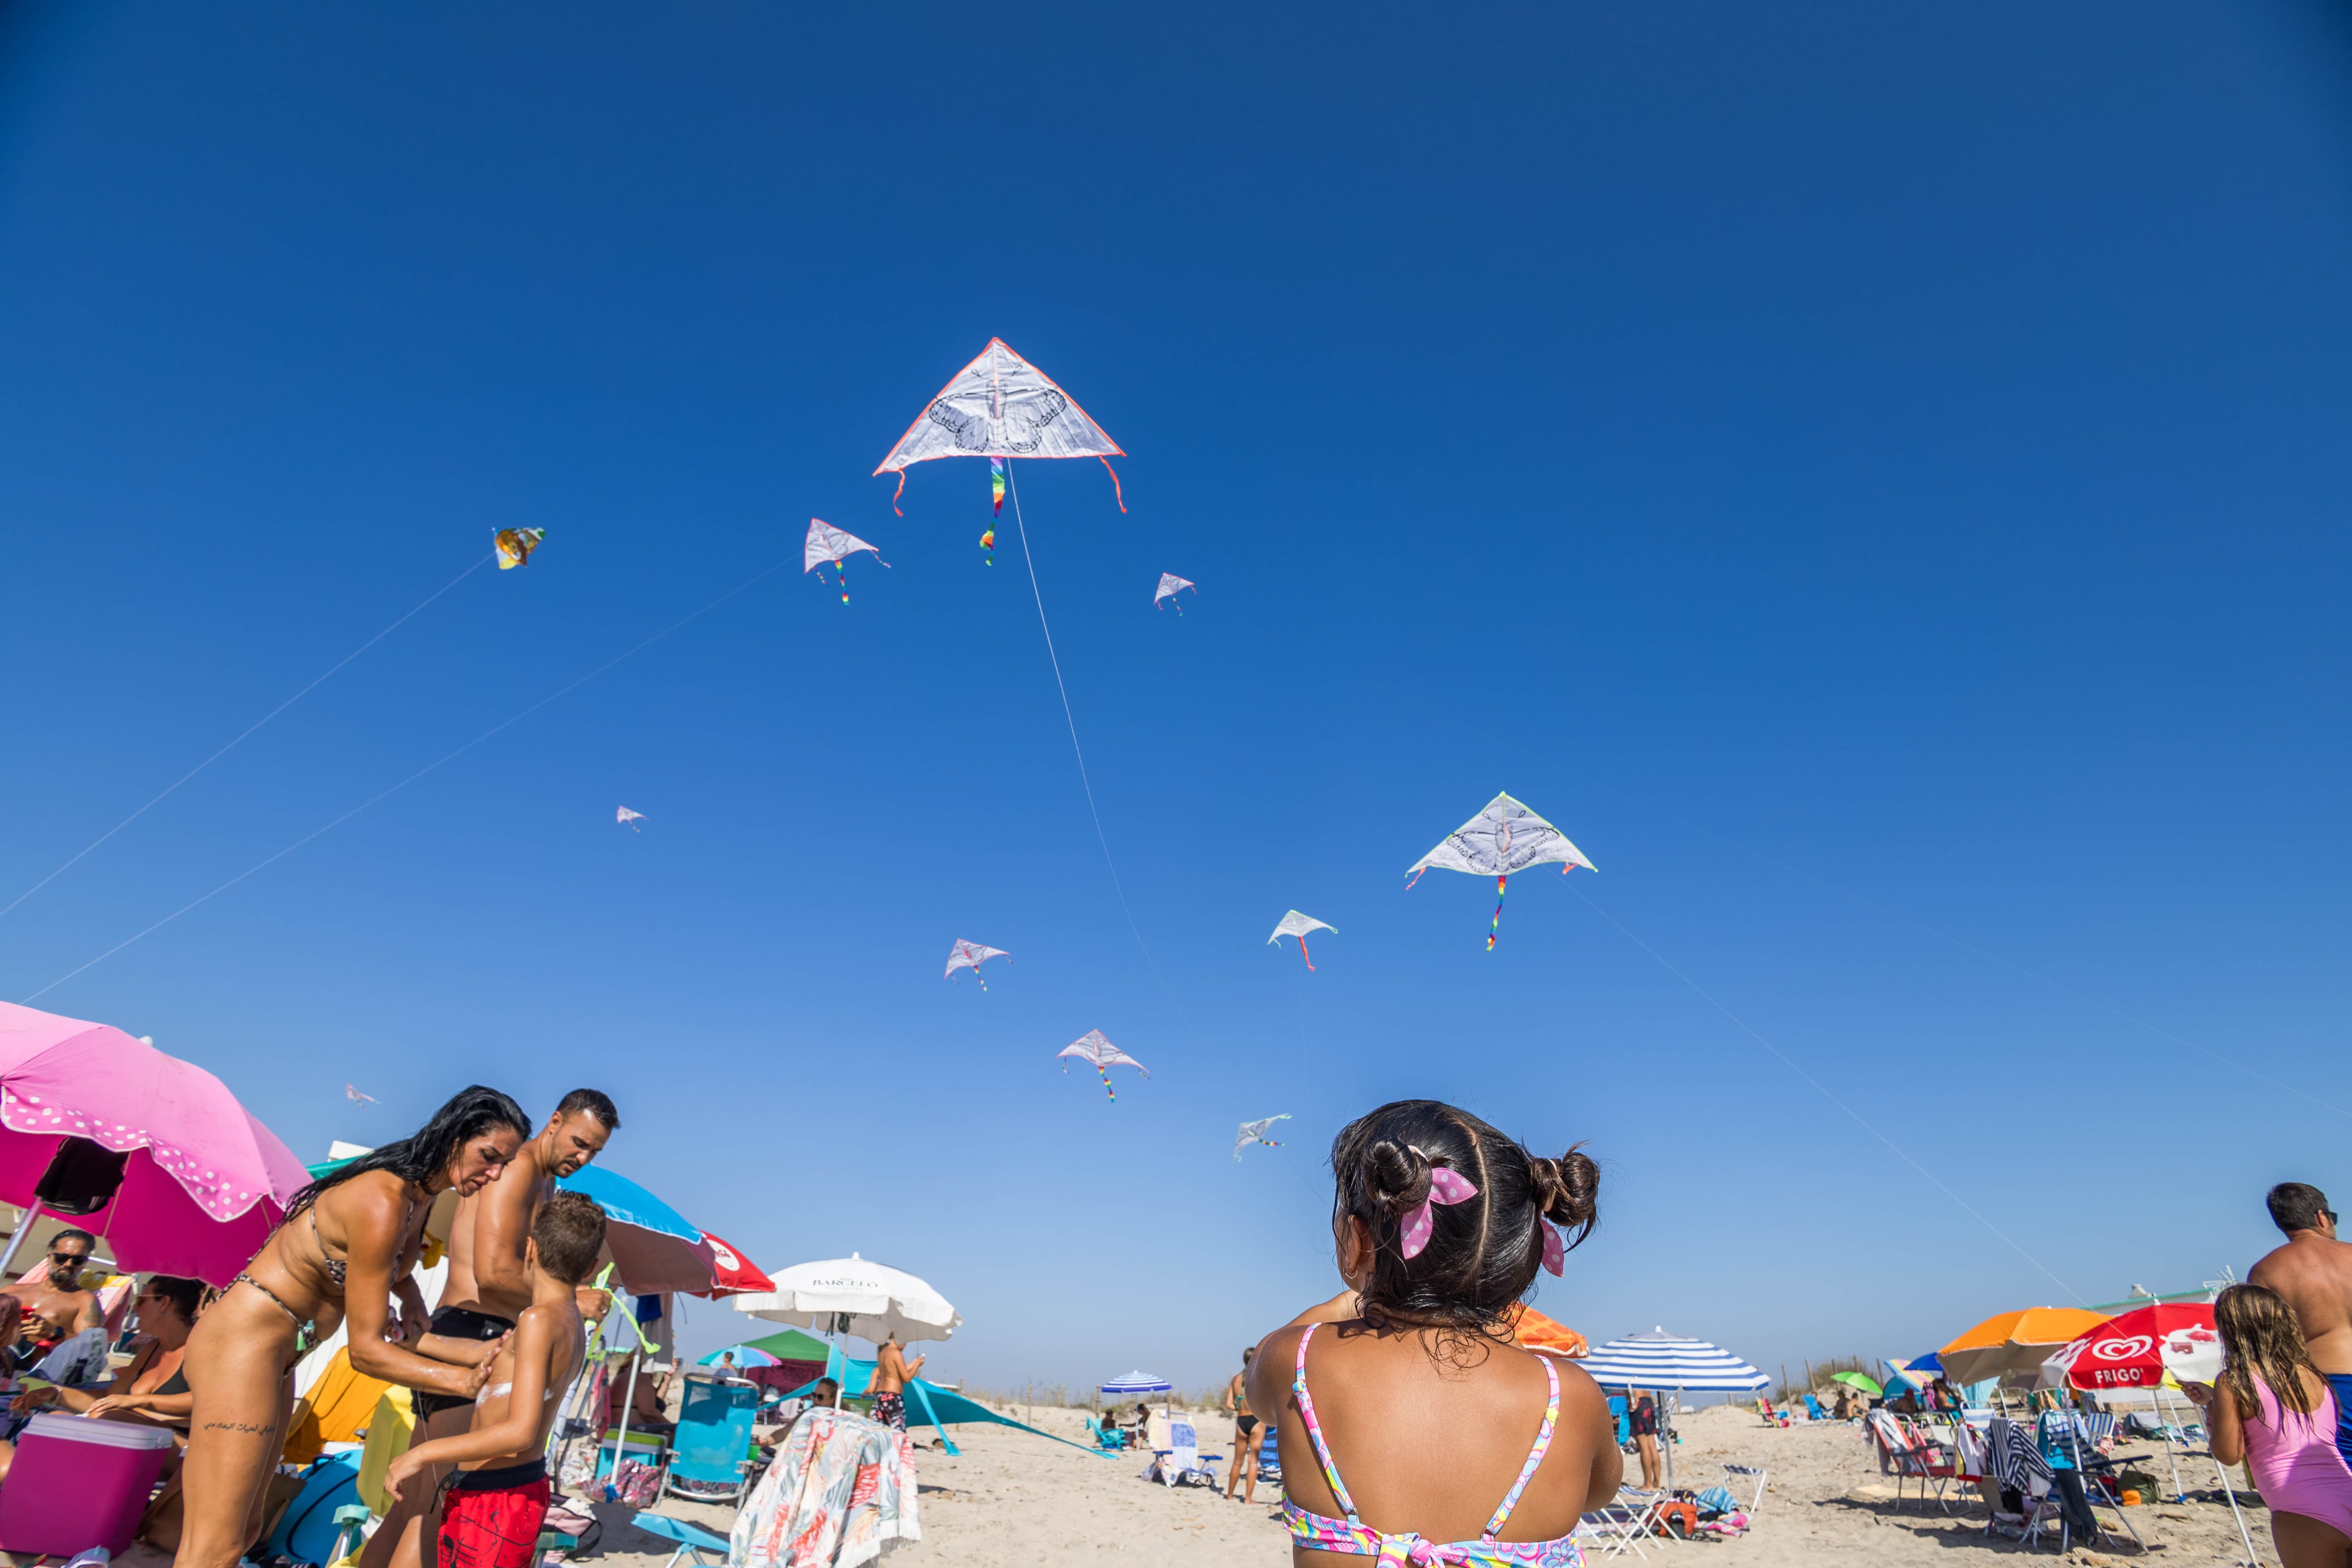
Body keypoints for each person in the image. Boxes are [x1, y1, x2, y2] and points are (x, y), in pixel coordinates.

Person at [1244, 1098, 1617, 1563]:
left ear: (1357, 1240)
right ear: (1520, 1250)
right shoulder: (1570, 1396)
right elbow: (1598, 1491)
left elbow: (1253, 1389)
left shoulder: (1297, 1360)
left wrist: (1352, 1294)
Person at [177, 1086, 533, 1568]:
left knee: (245, 1531)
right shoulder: (383, 1199)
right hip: (244, 1339)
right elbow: (364, 1352)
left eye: (502, 1165)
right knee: (214, 1545)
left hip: (279, 1349)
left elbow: (390, 1263)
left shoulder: (419, 1195)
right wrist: (463, 1380)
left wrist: (407, 1294)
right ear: (454, 1135)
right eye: (488, 1156)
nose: (492, 1174)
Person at [368, 1089, 617, 1568]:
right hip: (471, 1330)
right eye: (579, 1141)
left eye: (595, 1151)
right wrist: (567, 1295)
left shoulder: (544, 1182)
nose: (583, 1157)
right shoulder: (521, 1167)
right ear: (555, 1120)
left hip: (480, 1332)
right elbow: (492, 1270)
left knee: (417, 1504)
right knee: (431, 1507)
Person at [384, 1192, 607, 1568]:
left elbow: (520, 1431)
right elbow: (492, 1355)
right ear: (591, 1268)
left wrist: (421, 1453)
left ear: (530, 1248)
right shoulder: (568, 1320)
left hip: (496, 1497)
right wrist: (416, 1340)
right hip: (513, 1489)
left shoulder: (537, 1320)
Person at [2187, 1283, 2352, 1568]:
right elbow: (2284, 1421)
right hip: (2344, 1489)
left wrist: (2214, 1413)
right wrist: (2215, 1400)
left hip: (2302, 1507)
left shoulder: (2233, 1381)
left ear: (2230, 1331)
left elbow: (2229, 1454)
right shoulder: (2316, 1377)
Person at [0, 1274, 204, 1483]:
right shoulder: (152, 1349)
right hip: (137, 1442)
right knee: (57, 1417)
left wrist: (140, 1400)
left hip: (183, 1451)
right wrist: (53, 1395)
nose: (134, 1309)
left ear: (164, 1303)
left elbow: (209, 1402)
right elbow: (109, 1396)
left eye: (141, 1301)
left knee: (110, 1418)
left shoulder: (202, 1350)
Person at [2251, 1183, 2352, 1473]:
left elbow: (2264, 1347)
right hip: (2325, 1385)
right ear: (2322, 1217)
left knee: (2342, 1476)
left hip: (2321, 1386)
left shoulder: (2265, 1271)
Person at [0, 1226, 107, 1351]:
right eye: (62, 1258)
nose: (69, 1264)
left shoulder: (85, 1301)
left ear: (85, 1263)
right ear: (49, 1257)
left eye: (78, 1260)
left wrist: (54, 1334)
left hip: (37, 1367)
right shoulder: (11, 1291)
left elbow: (89, 1349)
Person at [1224, 1347, 1261, 1503]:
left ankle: (1230, 1496)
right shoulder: (1259, 1378)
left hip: (1241, 1421)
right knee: (1253, 1462)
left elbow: (1229, 1405)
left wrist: (1240, 1407)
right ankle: (1247, 1499)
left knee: (1237, 1462)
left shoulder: (1236, 1379)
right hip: (1256, 1421)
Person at [870, 1330, 925, 1432]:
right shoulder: (896, 1353)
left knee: (882, 1430)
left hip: (880, 1396)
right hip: (893, 1397)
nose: (905, 1346)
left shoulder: (883, 1353)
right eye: (905, 1342)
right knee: (897, 1431)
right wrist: (917, 1366)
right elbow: (906, 1378)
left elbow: (894, 1373)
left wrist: (914, 1363)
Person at [1630, 1393, 1661, 1489]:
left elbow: (1629, 1390)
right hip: (1649, 1402)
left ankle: (1648, 1484)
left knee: (1643, 1446)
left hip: (1638, 1402)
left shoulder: (1630, 1376)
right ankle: (1657, 1482)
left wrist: (1631, 1402)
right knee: (1652, 1445)